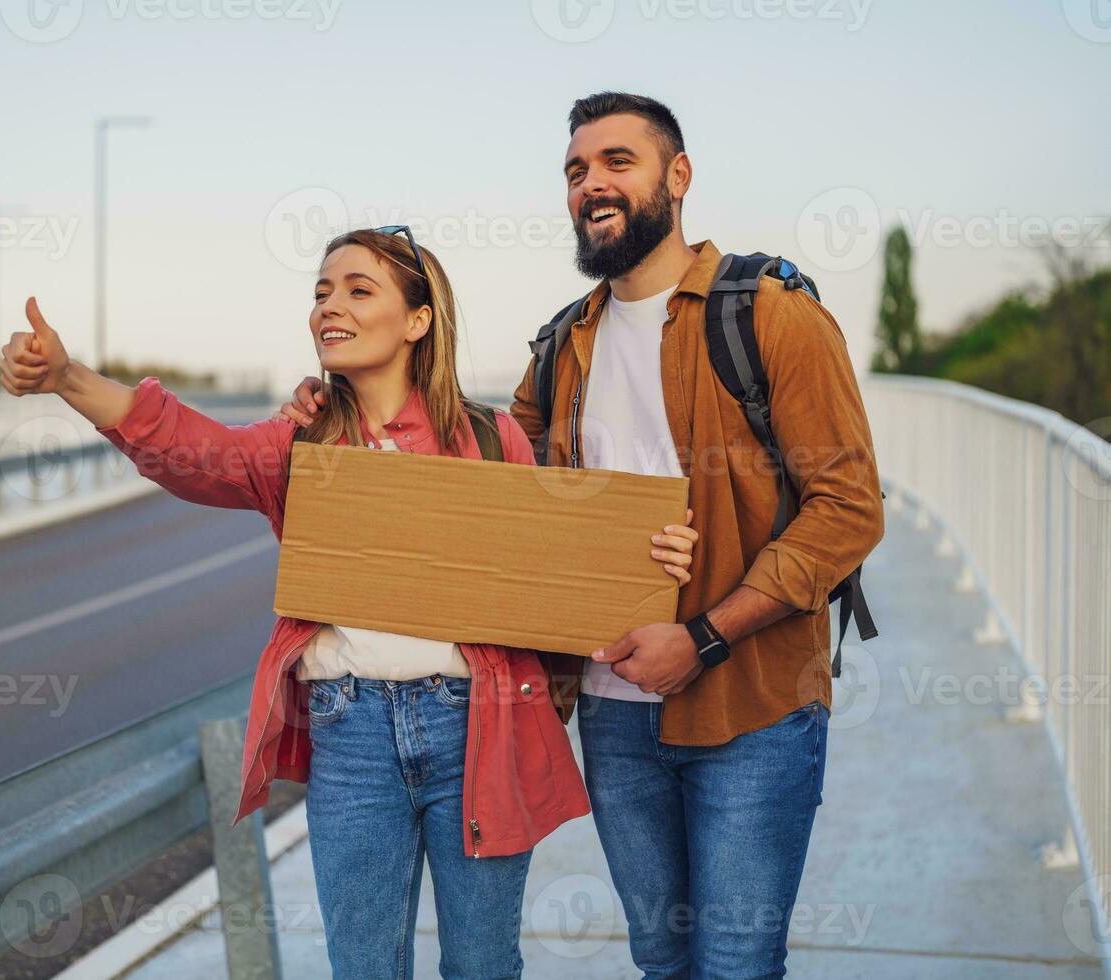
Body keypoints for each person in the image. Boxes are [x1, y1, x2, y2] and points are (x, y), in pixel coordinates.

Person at [282, 93, 885, 978]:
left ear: (677, 178)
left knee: (737, 963)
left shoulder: (768, 313)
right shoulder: (564, 345)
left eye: (616, 163)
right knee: (662, 958)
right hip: (614, 712)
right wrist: (334, 406)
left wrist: (703, 637)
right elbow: (482, 495)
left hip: (752, 703)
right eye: (575, 171)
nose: (591, 184)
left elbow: (849, 507)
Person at [0, 227, 698, 978]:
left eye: (359, 290)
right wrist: (68, 377)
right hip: (351, 737)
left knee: (484, 967)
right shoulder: (301, 443)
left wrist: (654, 563)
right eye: (322, 292)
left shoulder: (494, 440)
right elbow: (191, 451)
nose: (330, 306)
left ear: (418, 320)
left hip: (477, 732)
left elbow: (560, 572)